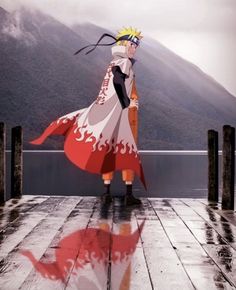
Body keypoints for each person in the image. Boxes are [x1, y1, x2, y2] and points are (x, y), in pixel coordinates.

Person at [30, 27, 146, 206]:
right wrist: (128, 102)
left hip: (110, 113)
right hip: (123, 114)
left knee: (108, 150)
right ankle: (127, 194)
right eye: (132, 44)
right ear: (124, 44)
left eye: (136, 46)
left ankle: (107, 193)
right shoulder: (124, 63)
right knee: (126, 150)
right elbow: (117, 81)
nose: (134, 48)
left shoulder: (113, 63)